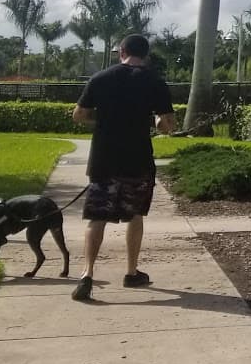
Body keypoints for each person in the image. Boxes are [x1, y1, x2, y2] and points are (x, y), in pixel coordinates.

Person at [69, 32, 174, 300]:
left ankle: (87, 274)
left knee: (97, 217)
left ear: (121, 52)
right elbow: (167, 125)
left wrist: (105, 119)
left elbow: (79, 115)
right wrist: (151, 123)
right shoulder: (155, 82)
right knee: (135, 215)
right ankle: (131, 271)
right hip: (138, 161)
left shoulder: (100, 78)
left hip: (103, 160)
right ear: (146, 55)